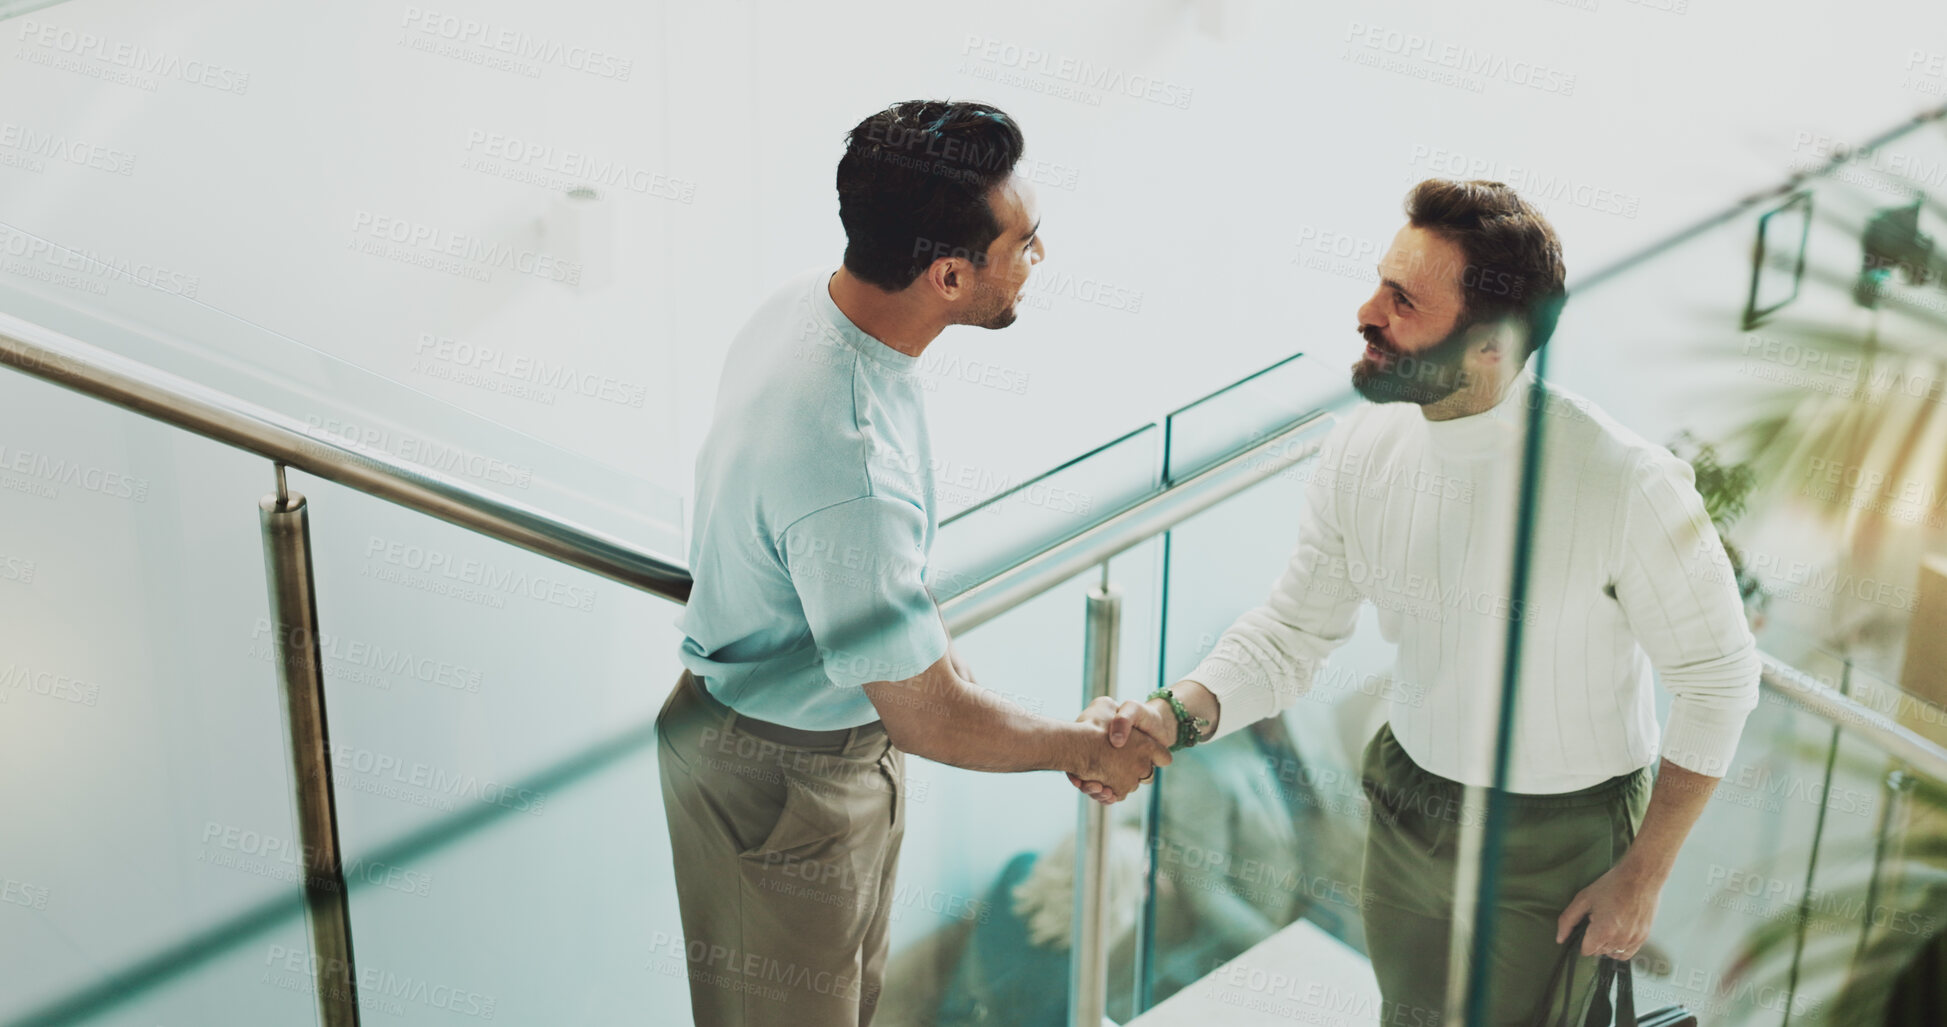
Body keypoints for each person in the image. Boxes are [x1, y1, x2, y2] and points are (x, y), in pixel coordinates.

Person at [1078, 179, 1762, 1024]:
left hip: (1557, 837)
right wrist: (1170, 717)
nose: (1366, 313)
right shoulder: (1363, 444)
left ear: (1487, 346)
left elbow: (1719, 679)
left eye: (1402, 302)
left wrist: (1643, 873)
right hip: (1409, 800)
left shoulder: (1626, 482)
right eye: (1378, 283)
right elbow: (1292, 631)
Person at [658, 99, 1168, 1027]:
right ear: (945, 274)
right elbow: (927, 713)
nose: (1036, 260)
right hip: (787, 781)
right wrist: (1078, 746)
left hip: (813, 749)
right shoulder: (848, 459)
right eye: (1022, 242)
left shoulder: (810, 313)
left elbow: (890, 608)